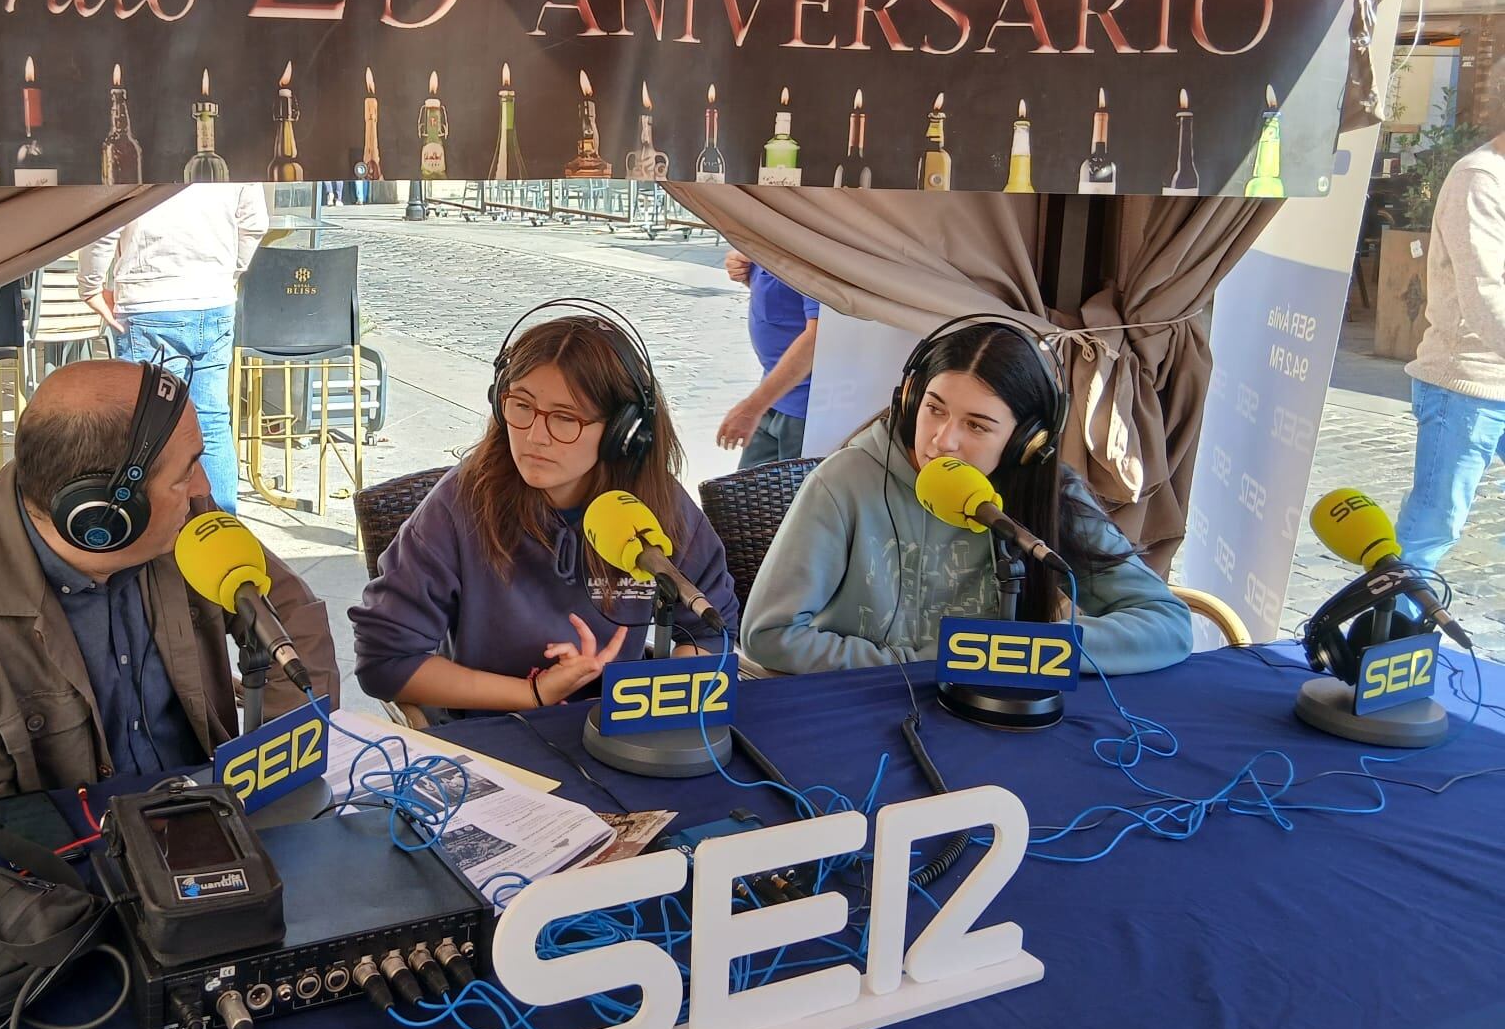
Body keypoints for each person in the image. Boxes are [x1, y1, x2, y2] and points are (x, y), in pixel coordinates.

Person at [0, 359, 339, 797]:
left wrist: (273, 768)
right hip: (70, 850)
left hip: (207, 808)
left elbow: (290, 614)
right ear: (103, 512)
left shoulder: (185, 518)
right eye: (184, 474)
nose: (203, 487)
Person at [742, 316, 1191, 676]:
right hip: (870, 708)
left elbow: (1165, 623)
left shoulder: (1052, 493)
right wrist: (928, 663)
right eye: (934, 409)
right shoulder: (843, 482)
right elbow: (769, 634)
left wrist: (1019, 653)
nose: (943, 440)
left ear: (1027, 441)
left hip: (995, 717)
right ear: (910, 400)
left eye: (976, 425)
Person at [351, 303, 738, 713]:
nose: (535, 436)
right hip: (495, 729)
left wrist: (649, 710)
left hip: (618, 721)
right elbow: (384, 662)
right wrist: (534, 694)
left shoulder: (657, 508)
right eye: (521, 406)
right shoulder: (458, 505)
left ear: (623, 433)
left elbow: (712, 633)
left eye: (565, 418)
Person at [78, 184, 267, 509]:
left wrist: (90, 287)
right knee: (212, 423)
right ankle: (221, 525)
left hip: (149, 301)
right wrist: (229, 272)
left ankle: (160, 531)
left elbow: (105, 225)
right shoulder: (233, 156)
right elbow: (255, 223)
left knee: (152, 431)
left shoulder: (135, 158)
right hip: (214, 299)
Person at [1396, 130, 1505, 569]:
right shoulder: (1480, 178)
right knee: (1433, 525)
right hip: (1467, 384)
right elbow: (1484, 297)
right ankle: (1395, 612)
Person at [717, 250, 820, 467]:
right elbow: (784, 299)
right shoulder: (770, 243)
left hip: (803, 408)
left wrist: (751, 409)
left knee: (793, 487)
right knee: (746, 486)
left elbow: (817, 338)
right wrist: (746, 273)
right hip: (773, 398)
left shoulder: (810, 251)